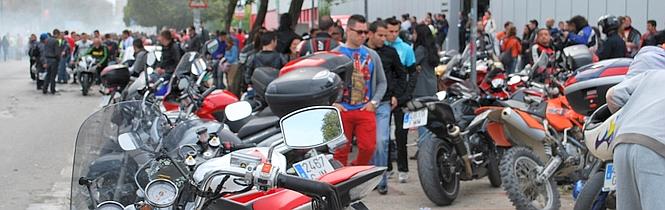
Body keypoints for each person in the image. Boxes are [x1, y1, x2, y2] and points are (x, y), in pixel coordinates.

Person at [605, 47, 665, 210]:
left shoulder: (651, 74)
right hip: (656, 148)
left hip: (622, 142)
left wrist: (632, 115)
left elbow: (612, 95)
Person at [332, 14, 387, 168]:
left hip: (365, 108)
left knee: (369, 147)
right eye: (359, 32)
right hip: (341, 110)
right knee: (339, 151)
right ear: (348, 31)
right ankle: (339, 183)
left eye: (365, 32)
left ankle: (355, 171)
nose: (363, 35)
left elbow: (382, 82)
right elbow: (326, 82)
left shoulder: (372, 55)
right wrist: (333, 103)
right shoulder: (335, 54)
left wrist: (374, 102)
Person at [365, 20, 408, 194]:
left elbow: (401, 74)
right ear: (370, 34)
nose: (384, 38)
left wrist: (396, 94)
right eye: (380, 35)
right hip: (362, 105)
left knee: (382, 141)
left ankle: (381, 180)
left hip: (383, 104)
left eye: (386, 35)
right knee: (368, 144)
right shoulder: (361, 53)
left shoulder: (390, 52)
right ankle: (367, 178)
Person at [384, 17, 417, 183]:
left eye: (396, 31)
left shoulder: (406, 48)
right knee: (384, 134)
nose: (393, 35)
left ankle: (403, 169)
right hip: (384, 96)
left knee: (401, 134)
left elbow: (412, 73)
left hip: (401, 97)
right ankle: (387, 167)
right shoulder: (380, 48)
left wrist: (407, 93)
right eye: (390, 31)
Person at [43, 29, 66, 94]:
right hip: (54, 60)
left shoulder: (47, 40)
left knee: (48, 75)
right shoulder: (56, 41)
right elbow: (57, 53)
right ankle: (52, 89)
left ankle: (45, 89)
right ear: (58, 34)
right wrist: (59, 59)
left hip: (47, 59)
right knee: (53, 76)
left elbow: (45, 50)